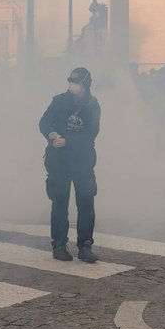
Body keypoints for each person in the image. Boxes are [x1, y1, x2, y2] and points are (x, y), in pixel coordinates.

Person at [39, 66, 101, 263]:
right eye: (70, 81)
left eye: (76, 81)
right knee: (59, 203)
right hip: (59, 162)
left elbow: (91, 134)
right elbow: (44, 122)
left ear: (85, 84)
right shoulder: (59, 100)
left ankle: (85, 246)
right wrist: (51, 135)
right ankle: (59, 245)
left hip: (82, 161)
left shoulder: (93, 105)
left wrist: (68, 141)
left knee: (86, 204)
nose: (72, 85)